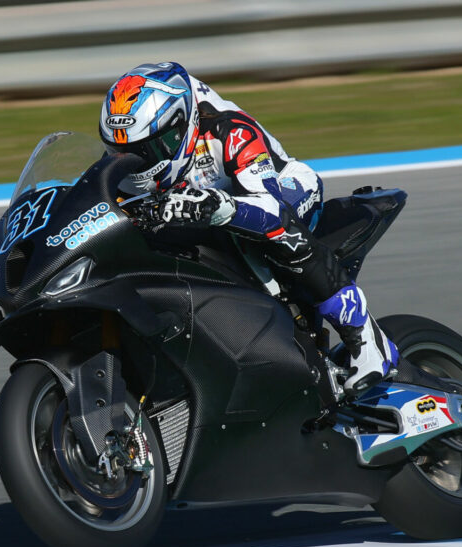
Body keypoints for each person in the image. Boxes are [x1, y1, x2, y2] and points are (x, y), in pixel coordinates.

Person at [99, 61, 397, 395]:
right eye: (119, 151)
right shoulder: (128, 149)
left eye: (143, 151)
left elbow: (270, 207)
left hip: (280, 191)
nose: (131, 161)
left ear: (177, 129)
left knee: (271, 230)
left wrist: (214, 205)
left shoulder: (228, 131)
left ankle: (365, 338)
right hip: (201, 207)